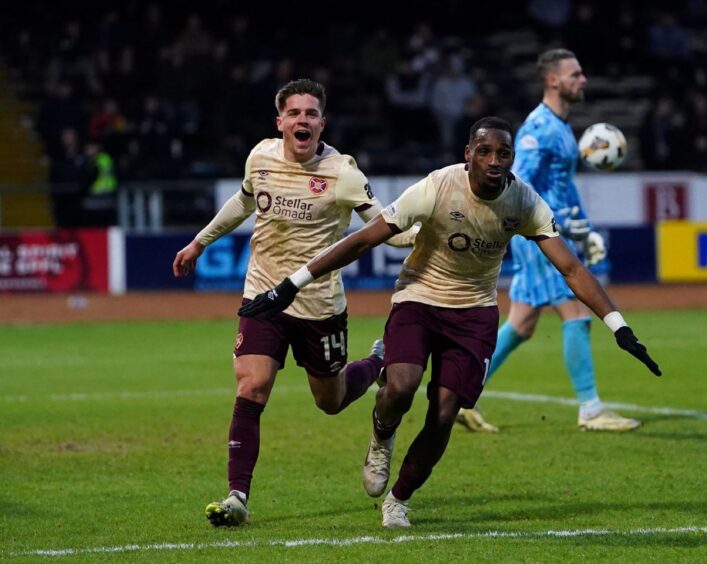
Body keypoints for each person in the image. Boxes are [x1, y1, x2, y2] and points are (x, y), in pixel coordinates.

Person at [238, 116, 662, 528]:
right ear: (468, 155)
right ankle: (381, 439)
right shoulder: (438, 186)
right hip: (418, 300)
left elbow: (570, 268)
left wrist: (618, 326)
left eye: (503, 153)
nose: (495, 160)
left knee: (443, 414)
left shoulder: (524, 201)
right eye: (485, 152)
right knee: (401, 385)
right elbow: (366, 237)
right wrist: (294, 283)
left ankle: (398, 500)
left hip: (474, 314)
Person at [172, 78, 415, 528]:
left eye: (311, 114)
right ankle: (237, 497)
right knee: (251, 386)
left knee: (331, 400)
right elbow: (242, 202)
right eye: (294, 113)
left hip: (319, 306)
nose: (302, 121)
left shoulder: (343, 173)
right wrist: (198, 243)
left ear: (323, 123)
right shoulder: (259, 157)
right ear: (280, 121)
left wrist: (425, 237)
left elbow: (386, 226)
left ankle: (375, 364)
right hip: (263, 296)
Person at [456, 49, 642, 434]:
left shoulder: (557, 126)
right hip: (539, 238)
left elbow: (562, 188)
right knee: (576, 312)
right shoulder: (540, 129)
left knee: (521, 324)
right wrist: (564, 229)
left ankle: (461, 396)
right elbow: (518, 181)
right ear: (554, 80)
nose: (583, 79)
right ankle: (591, 409)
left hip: (544, 234)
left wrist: (584, 229)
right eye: (576, 74)